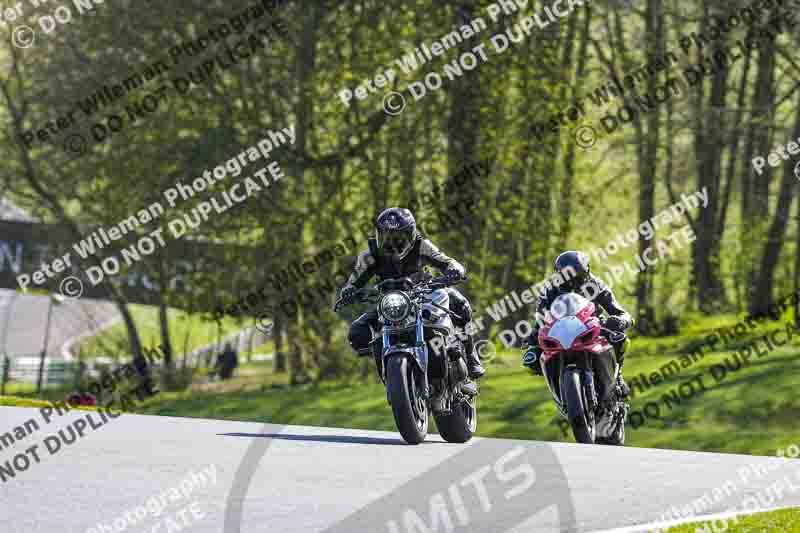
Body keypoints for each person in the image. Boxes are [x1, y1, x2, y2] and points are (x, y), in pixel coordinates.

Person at [334, 207, 485, 379]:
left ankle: (471, 355)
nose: (391, 243)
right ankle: (387, 362)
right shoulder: (369, 255)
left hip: (425, 294)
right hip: (391, 303)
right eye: (386, 237)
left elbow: (447, 261)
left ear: (411, 235)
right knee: (357, 332)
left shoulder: (422, 246)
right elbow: (354, 280)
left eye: (398, 238)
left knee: (461, 304)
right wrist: (348, 291)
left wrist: (455, 270)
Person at [521, 250, 632, 396]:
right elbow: (540, 317)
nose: (572, 283)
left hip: (593, 326)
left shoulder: (596, 284)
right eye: (566, 279)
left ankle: (617, 376)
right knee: (532, 355)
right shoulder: (549, 290)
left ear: (586, 273)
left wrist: (621, 320)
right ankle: (557, 387)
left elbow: (619, 311)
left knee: (619, 339)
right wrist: (533, 334)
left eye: (577, 278)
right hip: (559, 330)